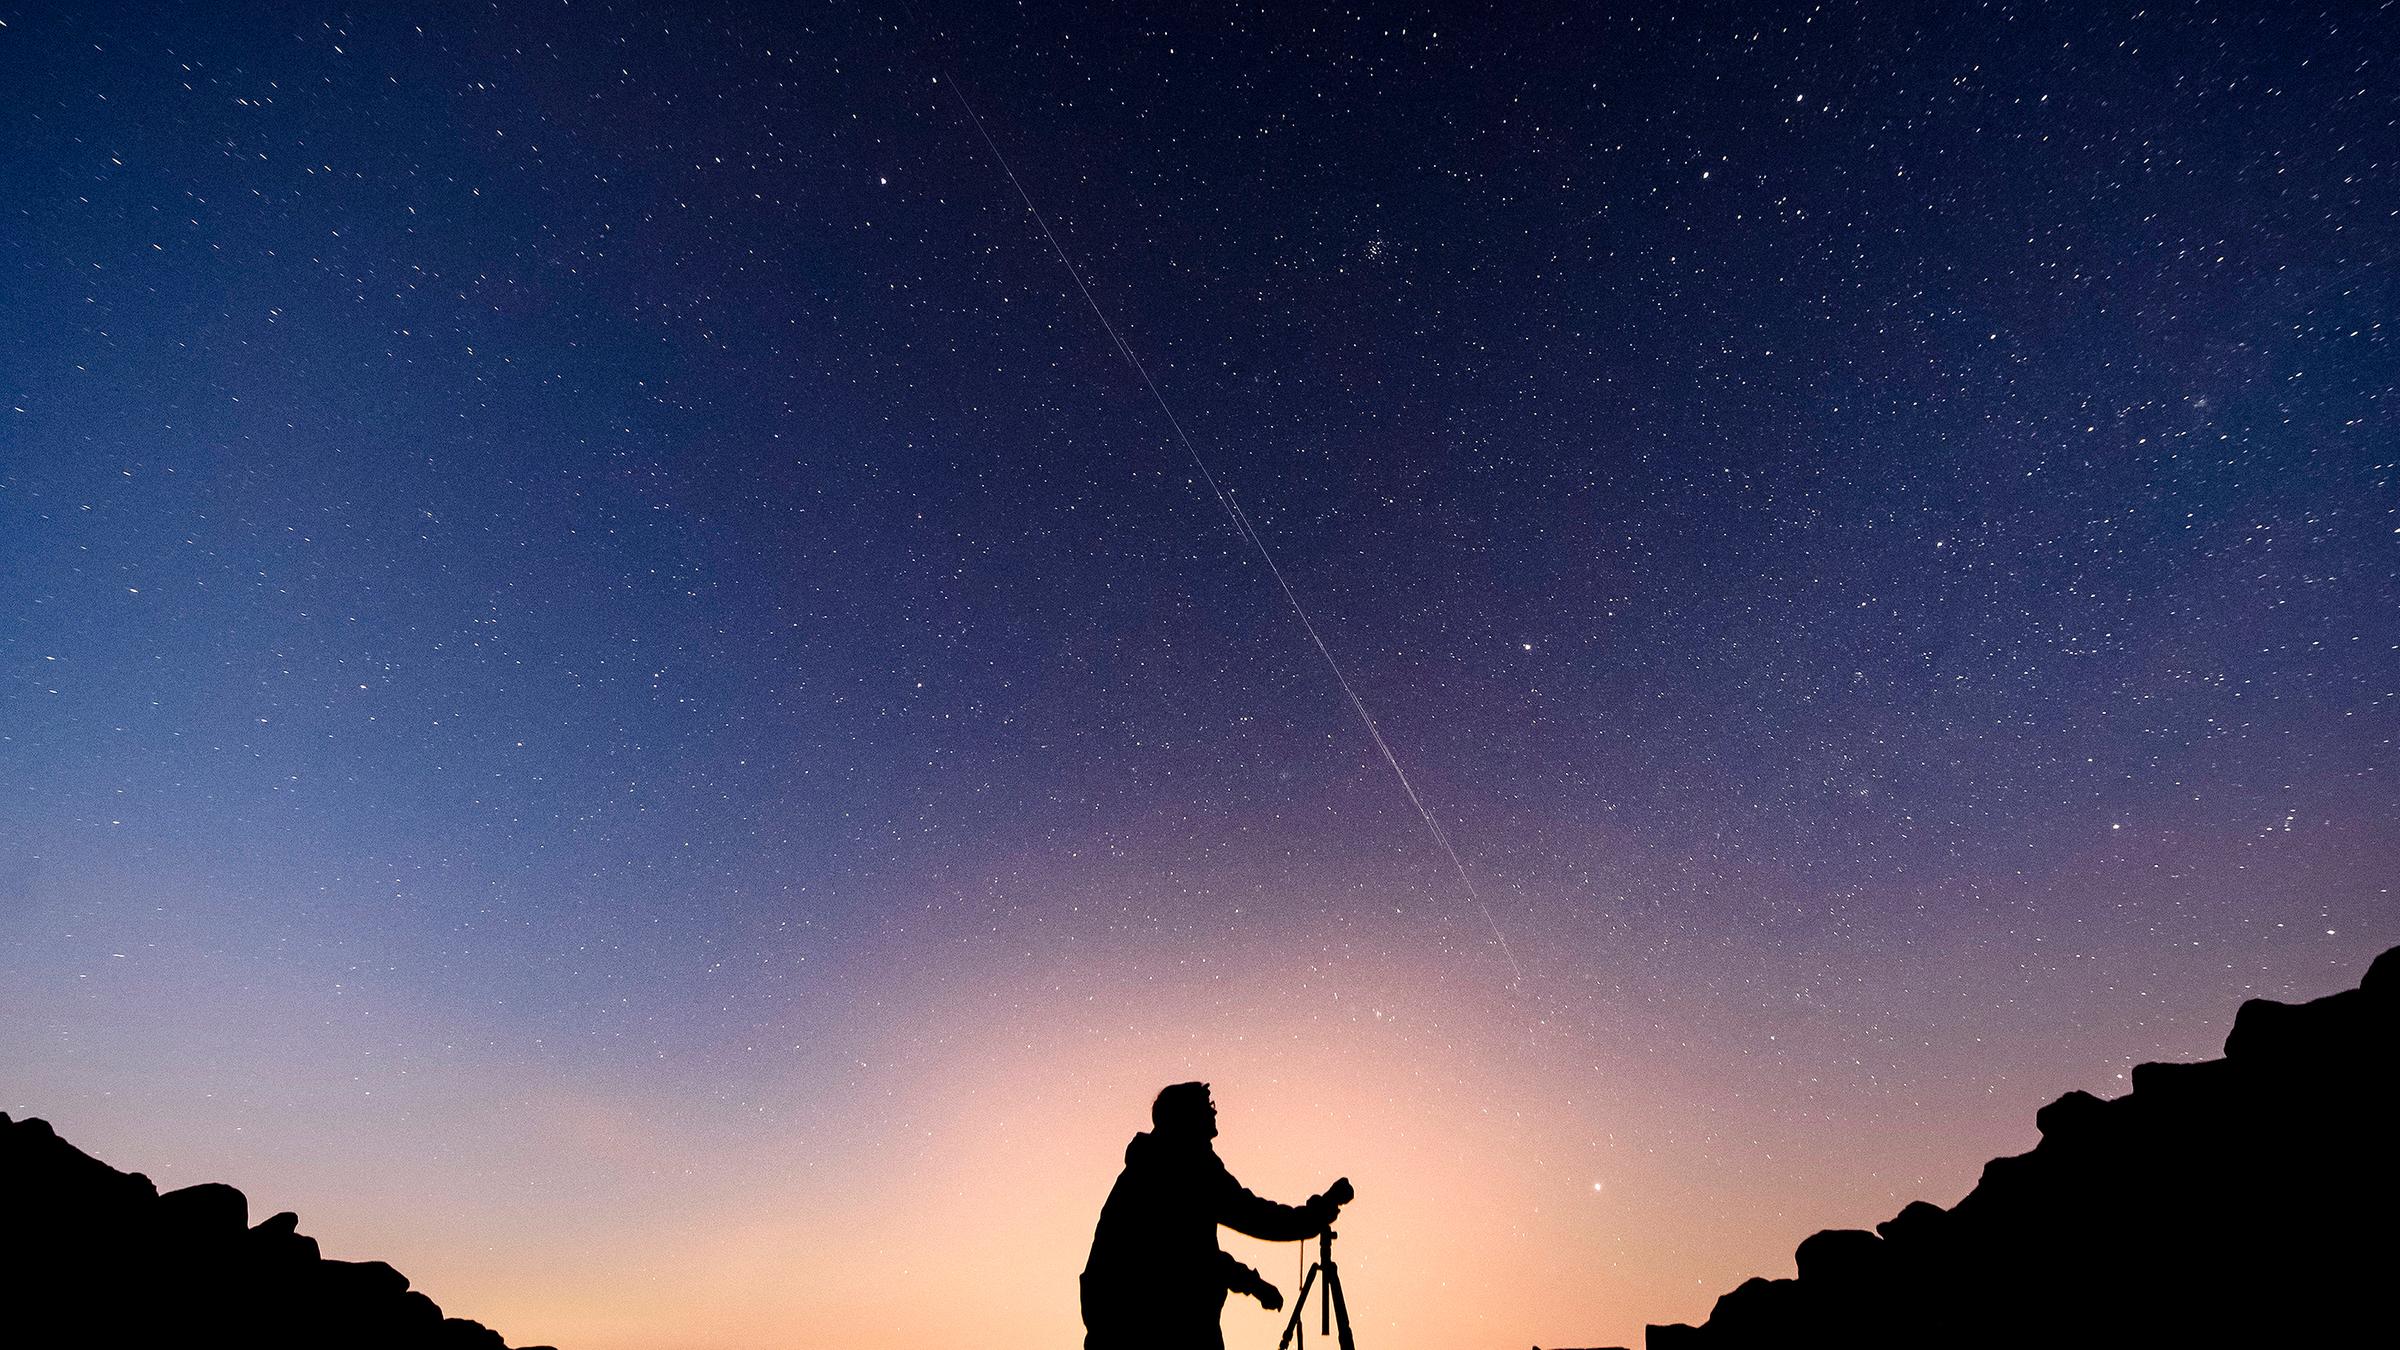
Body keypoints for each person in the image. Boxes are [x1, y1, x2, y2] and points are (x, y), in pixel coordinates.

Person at [1080, 1081, 1349, 1350]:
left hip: (1120, 1326)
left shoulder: (1150, 1165)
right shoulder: (1186, 1165)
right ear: (1187, 1117)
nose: (1214, 1112)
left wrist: (1253, 1284)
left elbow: (1188, 1254)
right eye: (1207, 1106)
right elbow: (1255, 1216)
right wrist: (1318, 1214)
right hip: (1163, 1328)